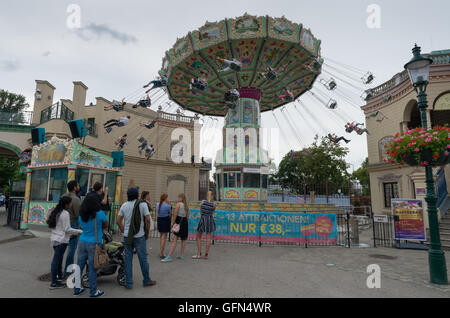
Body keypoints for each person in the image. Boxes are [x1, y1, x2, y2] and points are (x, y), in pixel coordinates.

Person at [117, 187, 156, 289]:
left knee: (128, 259)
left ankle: (128, 283)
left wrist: (123, 231)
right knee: (143, 258)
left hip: (127, 236)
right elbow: (147, 219)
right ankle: (146, 280)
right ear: (137, 195)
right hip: (139, 235)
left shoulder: (124, 205)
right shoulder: (142, 204)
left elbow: (118, 221)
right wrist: (147, 232)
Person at [74, 194, 108, 297]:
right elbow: (105, 225)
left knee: (79, 266)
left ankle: (76, 289)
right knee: (93, 268)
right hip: (94, 243)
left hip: (82, 241)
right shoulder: (100, 213)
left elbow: (82, 225)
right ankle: (93, 292)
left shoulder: (81, 214)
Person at [47, 196, 82, 290]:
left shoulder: (55, 211)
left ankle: (58, 278)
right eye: (70, 203)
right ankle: (53, 283)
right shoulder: (65, 213)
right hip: (61, 240)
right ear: (66, 204)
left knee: (58, 259)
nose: (70, 205)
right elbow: (67, 229)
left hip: (54, 239)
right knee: (56, 261)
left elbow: (54, 226)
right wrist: (79, 231)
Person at [61, 180, 82, 276]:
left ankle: (59, 269)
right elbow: (78, 214)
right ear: (74, 187)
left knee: (61, 248)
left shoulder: (63, 196)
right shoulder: (76, 199)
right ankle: (68, 270)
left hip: (62, 223)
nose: (79, 187)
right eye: (78, 185)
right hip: (73, 223)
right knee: (72, 248)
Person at [162, 193, 189, 262]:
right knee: (183, 239)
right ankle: (181, 254)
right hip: (185, 223)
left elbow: (175, 214)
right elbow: (187, 217)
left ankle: (169, 256)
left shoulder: (178, 204)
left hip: (178, 222)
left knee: (175, 239)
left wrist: (172, 223)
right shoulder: (186, 206)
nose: (178, 199)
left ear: (181, 198)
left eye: (178, 197)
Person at [193, 191, 216, 260]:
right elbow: (212, 212)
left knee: (198, 236)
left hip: (203, 219)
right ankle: (206, 254)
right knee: (208, 237)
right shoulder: (214, 204)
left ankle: (199, 253)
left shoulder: (202, 202)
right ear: (212, 196)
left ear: (206, 195)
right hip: (209, 219)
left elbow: (200, 210)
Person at [156, 194, 172, 259]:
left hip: (159, 219)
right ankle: (161, 253)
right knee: (164, 237)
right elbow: (170, 214)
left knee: (161, 236)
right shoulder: (167, 206)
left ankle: (161, 251)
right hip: (165, 220)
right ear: (165, 198)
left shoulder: (157, 204)